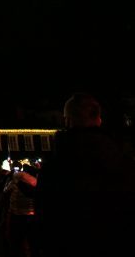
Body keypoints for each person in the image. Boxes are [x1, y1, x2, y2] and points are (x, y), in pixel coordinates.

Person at [36, 93, 135, 257]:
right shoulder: (122, 162)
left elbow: (45, 220)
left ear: (67, 120)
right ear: (99, 119)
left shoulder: (55, 167)